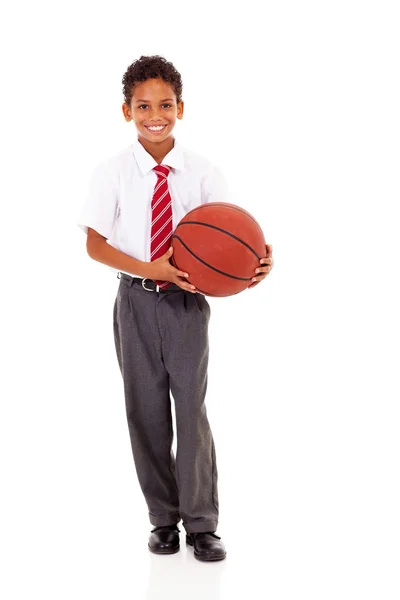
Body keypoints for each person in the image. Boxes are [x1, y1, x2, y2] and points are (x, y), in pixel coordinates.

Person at [77, 55, 274, 562]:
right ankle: (163, 520)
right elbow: (95, 245)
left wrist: (254, 262)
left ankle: (202, 524)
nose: (155, 114)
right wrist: (150, 269)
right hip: (136, 303)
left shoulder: (204, 172)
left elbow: (228, 241)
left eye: (165, 104)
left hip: (187, 304)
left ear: (180, 107)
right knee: (145, 413)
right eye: (143, 105)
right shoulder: (113, 173)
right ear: (127, 112)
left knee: (191, 411)